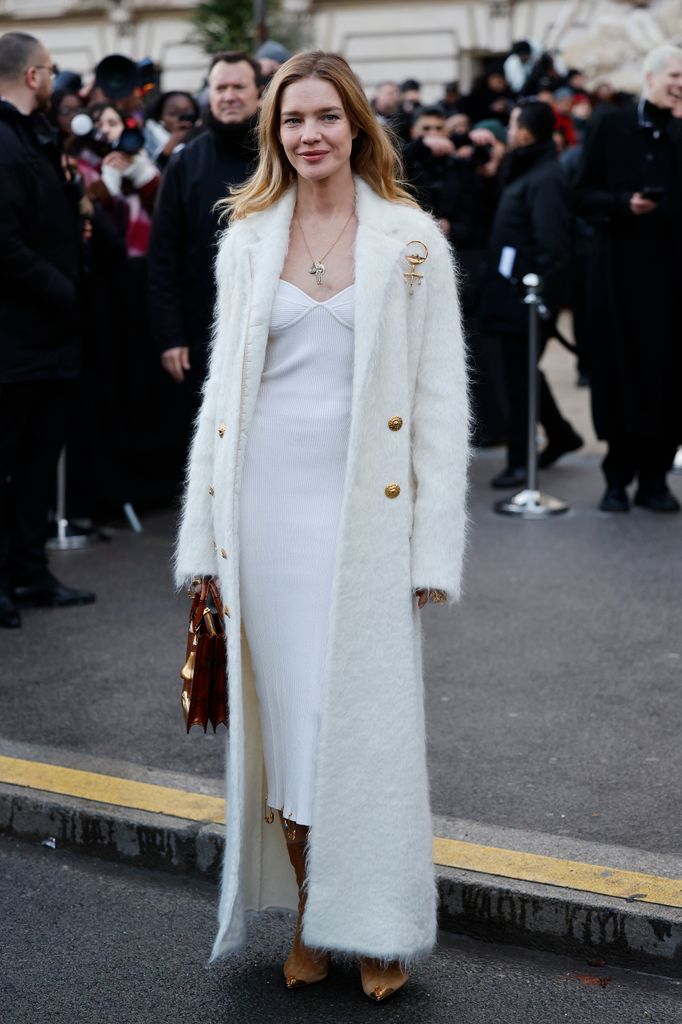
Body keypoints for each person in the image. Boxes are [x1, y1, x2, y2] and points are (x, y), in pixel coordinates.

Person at [174, 49, 469, 1000]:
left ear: (357, 127)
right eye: (292, 120)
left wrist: (433, 545)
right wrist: (204, 533)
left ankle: (376, 922)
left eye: (326, 118)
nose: (309, 134)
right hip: (262, 512)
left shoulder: (414, 241)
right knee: (293, 727)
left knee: (368, 730)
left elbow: (437, 407)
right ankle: (309, 910)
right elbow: (222, 397)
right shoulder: (247, 239)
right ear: (273, 133)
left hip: (366, 519)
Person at [0, 31, 95, 628]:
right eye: (52, 71)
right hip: (16, 339)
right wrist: (64, 290)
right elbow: (3, 242)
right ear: (34, 76)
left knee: (38, 467)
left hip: (52, 340)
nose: (56, 80)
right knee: (8, 464)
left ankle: (30, 574)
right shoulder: (5, 143)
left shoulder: (35, 138)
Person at [574, 44, 682, 512]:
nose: (681, 84)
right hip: (618, 274)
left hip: (673, 278)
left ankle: (655, 480)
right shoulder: (610, 124)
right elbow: (581, 194)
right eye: (676, 75)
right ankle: (616, 478)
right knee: (619, 375)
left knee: (670, 378)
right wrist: (623, 204)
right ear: (651, 76)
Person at [478, 99, 582, 488]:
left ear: (524, 132)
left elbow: (553, 248)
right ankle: (562, 435)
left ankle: (521, 462)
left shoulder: (545, 177)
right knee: (523, 373)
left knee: (519, 380)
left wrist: (537, 301)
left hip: (526, 298)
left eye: (511, 124)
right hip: (510, 293)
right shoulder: (524, 169)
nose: (508, 131)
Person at [148, 51, 260, 397]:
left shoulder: (283, 155)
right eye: (220, 87)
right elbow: (163, 254)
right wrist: (171, 336)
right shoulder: (186, 162)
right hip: (202, 331)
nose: (229, 96)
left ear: (259, 93)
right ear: (208, 94)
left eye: (239, 86)